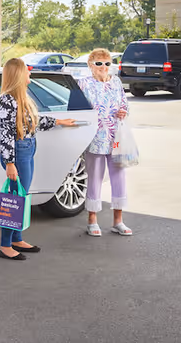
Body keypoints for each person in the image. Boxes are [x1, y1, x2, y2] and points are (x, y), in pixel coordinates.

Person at [0, 58, 76, 260]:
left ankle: (16, 238)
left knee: (21, 197)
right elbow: (4, 135)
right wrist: (10, 163)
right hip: (18, 153)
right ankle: (5, 246)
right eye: (27, 72)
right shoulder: (6, 101)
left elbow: (33, 123)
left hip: (27, 149)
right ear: (18, 75)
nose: (30, 75)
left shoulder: (22, 98)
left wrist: (59, 121)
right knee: (14, 199)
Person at [76, 48, 131, 237]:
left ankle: (118, 221)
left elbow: (125, 105)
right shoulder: (83, 84)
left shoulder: (116, 83)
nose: (103, 67)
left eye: (107, 63)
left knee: (119, 177)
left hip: (116, 137)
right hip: (95, 138)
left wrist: (123, 112)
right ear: (90, 65)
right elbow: (77, 110)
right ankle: (92, 220)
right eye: (99, 63)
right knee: (95, 178)